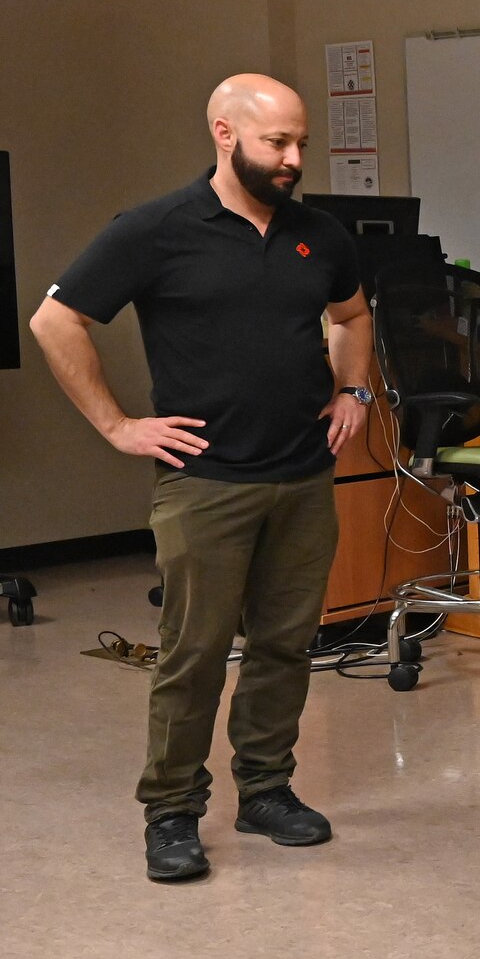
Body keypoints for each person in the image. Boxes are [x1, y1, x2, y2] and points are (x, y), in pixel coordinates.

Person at [30, 74, 370, 880]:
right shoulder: (156, 229)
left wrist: (353, 388)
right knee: (194, 651)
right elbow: (55, 319)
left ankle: (266, 790)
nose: (292, 160)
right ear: (225, 133)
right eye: (275, 143)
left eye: (300, 144)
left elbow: (352, 315)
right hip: (205, 481)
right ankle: (172, 810)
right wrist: (117, 425)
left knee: (287, 645)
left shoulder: (318, 234)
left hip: (301, 473)